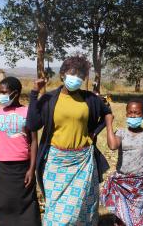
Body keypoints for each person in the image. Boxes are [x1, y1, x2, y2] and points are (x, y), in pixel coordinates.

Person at [26, 55, 112, 225]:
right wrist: (34, 94)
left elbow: (107, 113)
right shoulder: (50, 99)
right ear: (63, 74)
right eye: (73, 73)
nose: (76, 78)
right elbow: (33, 124)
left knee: (82, 209)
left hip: (83, 162)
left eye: (81, 75)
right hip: (56, 162)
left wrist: (95, 132)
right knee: (57, 214)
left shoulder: (90, 99)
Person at [0, 77, 40, 226]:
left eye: (4, 92)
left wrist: (32, 169)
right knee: (2, 204)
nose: (1, 95)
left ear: (16, 93)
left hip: (22, 168)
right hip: (2, 168)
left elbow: (34, 141)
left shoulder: (27, 111)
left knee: (26, 205)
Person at [101, 98, 143, 226]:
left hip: (142, 183)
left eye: (137, 113)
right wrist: (109, 123)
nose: (133, 115)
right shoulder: (121, 133)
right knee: (122, 219)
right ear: (126, 114)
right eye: (130, 112)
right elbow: (112, 145)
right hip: (123, 183)